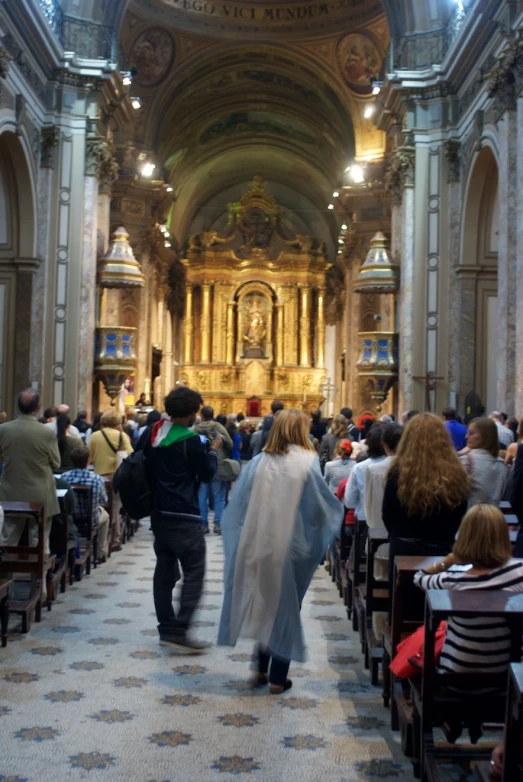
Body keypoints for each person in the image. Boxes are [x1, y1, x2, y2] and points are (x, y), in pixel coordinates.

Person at [218, 409, 343, 692]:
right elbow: (318, 505)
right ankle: (277, 678)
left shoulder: (259, 460)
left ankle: (260, 670)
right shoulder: (307, 461)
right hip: (291, 546)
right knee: (286, 607)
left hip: (256, 543)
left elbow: (240, 502)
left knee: (265, 603)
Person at [140, 387, 218, 653]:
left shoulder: (149, 434)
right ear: (190, 414)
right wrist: (212, 452)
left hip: (158, 514)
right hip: (184, 516)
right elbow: (206, 475)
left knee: (164, 572)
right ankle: (179, 630)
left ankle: (166, 628)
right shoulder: (190, 441)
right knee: (194, 572)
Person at [414, 504, 523, 674]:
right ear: (503, 536)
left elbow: (419, 577)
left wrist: (447, 561)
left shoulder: (452, 580)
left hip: (457, 673)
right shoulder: (518, 573)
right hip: (505, 675)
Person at [382, 413, 469, 569]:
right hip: (442, 548)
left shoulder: (398, 472)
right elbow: (460, 510)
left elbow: (388, 514)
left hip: (404, 547)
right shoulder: (456, 473)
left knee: (403, 592)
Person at [0, 388, 60, 555]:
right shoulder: (47, 432)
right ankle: (39, 580)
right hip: (39, 494)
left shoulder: (3, 430)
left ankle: (5, 577)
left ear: (18, 406)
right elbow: (56, 463)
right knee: (39, 542)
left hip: (9, 493)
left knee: (7, 540)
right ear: (38, 407)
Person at [364, 423, 403, 582]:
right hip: (402, 535)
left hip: (379, 532)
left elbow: (369, 504)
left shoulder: (374, 469)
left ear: (384, 445)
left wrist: (373, 528)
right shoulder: (412, 468)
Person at [88, 409, 133, 547]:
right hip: (117, 476)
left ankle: (102, 540)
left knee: (102, 507)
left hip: (100, 476)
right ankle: (115, 539)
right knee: (115, 507)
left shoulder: (95, 436)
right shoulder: (122, 436)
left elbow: (89, 457)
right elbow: (130, 455)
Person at [62, 446, 110, 562]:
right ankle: (100, 552)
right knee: (106, 516)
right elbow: (104, 501)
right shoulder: (97, 479)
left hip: (69, 519)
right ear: (88, 461)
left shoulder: (64, 477)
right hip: (90, 519)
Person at [194, 406, 233, 534]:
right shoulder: (219, 427)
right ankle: (218, 524)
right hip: (218, 463)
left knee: (202, 496)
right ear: (213, 415)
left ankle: (203, 525)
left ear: (202, 416)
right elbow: (230, 444)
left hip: (201, 464)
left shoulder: (196, 429)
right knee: (219, 496)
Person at [343, 424, 385, 526]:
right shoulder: (394, 466)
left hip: (364, 518)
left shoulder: (358, 468)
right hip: (387, 522)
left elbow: (349, 501)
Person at [460, 417, 507, 506]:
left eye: (471, 433)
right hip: (493, 516)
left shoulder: (465, 461)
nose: (466, 437)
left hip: (471, 516)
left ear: (485, 436)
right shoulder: (501, 464)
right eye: (467, 432)